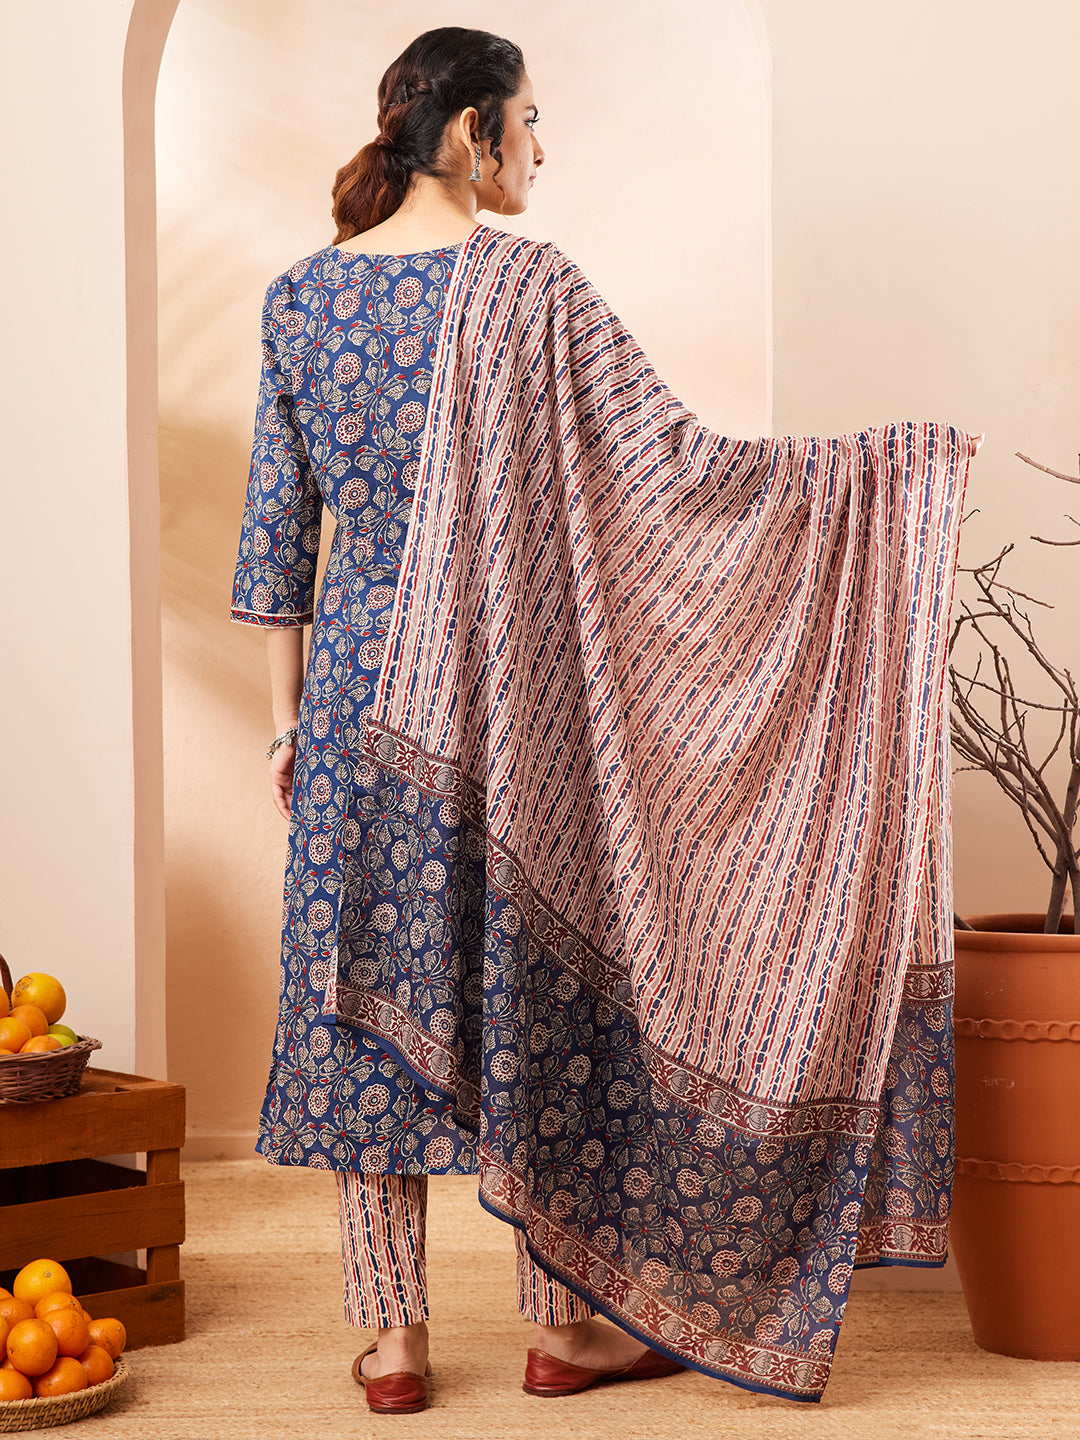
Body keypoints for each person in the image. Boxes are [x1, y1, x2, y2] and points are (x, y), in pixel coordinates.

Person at [232, 26, 975, 1414]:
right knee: (529, 997)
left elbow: (280, 542)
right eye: (529, 121)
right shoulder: (531, 289)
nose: (542, 149)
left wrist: (288, 731)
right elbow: (678, 475)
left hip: (355, 711)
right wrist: (883, 481)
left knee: (365, 1005)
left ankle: (393, 1347)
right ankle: (562, 1334)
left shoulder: (300, 300)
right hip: (514, 703)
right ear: (472, 134)